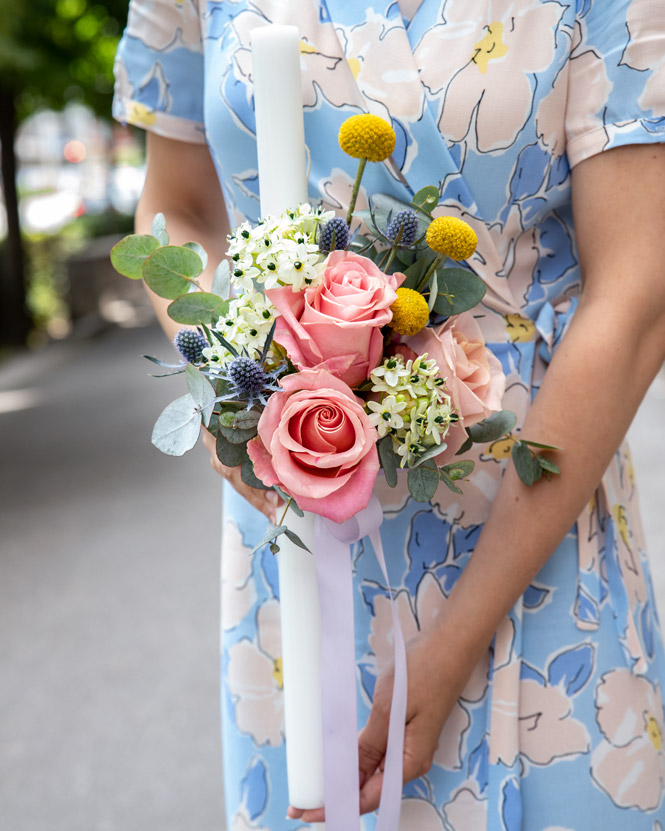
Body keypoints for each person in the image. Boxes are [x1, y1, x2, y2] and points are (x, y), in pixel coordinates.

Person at [113, 1, 665, 828]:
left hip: (530, 512)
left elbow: (634, 300)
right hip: (296, 540)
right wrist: (236, 377)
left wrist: (447, 650)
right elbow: (175, 207)